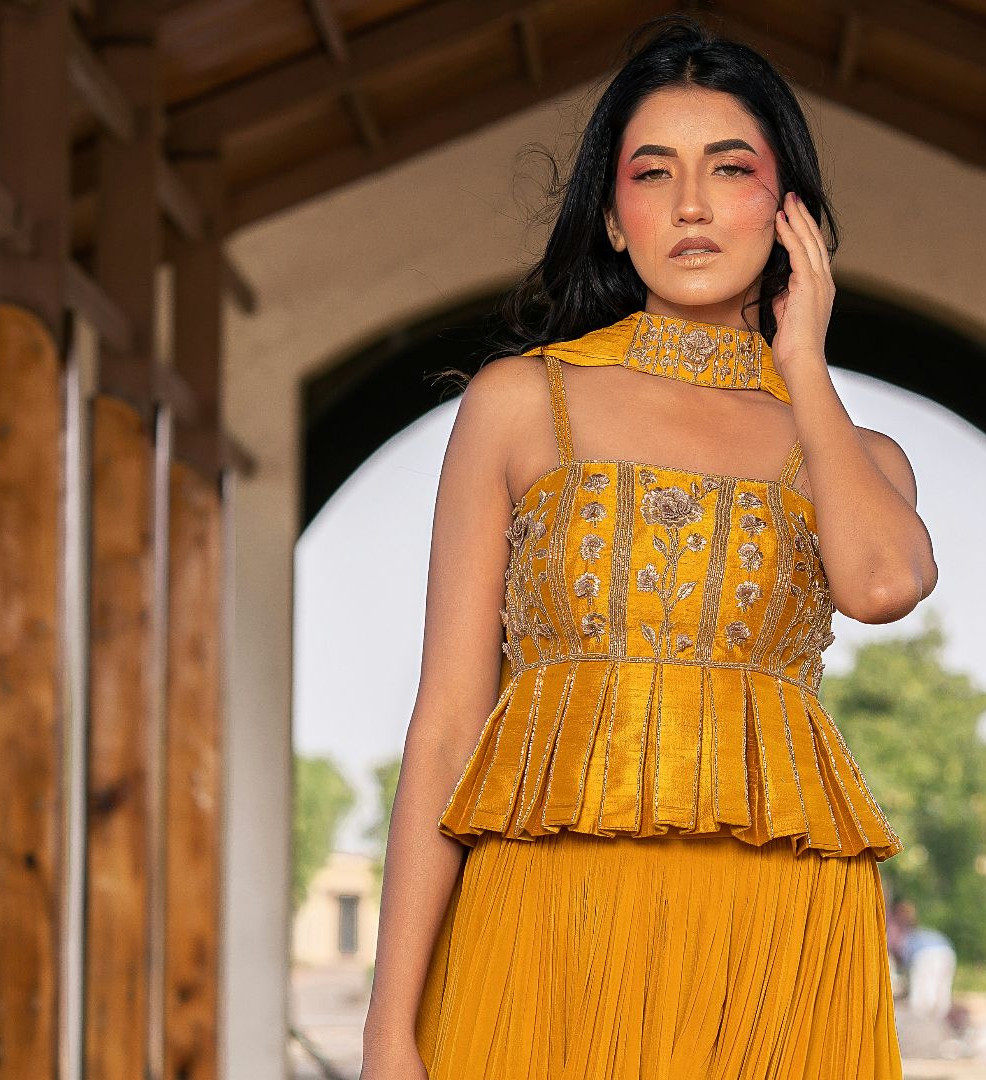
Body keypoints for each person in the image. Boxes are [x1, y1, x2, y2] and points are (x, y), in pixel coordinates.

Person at [358, 14, 939, 1079]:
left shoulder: (849, 452)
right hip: (547, 930)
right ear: (614, 220)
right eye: (652, 171)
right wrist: (389, 1031)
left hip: (774, 938)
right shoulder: (522, 404)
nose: (691, 204)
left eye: (730, 168)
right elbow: (446, 726)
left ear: (787, 209)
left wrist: (802, 360)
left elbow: (886, 583)